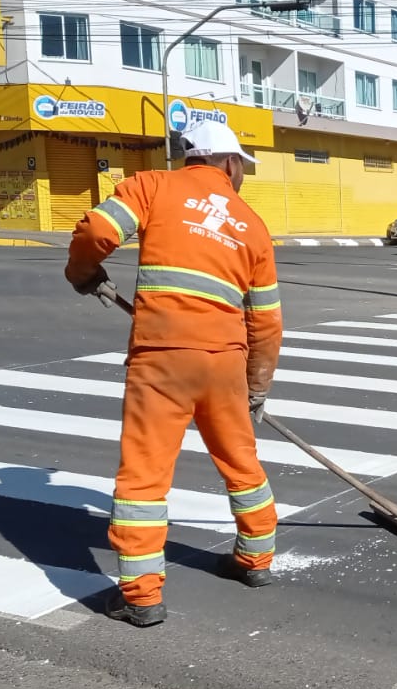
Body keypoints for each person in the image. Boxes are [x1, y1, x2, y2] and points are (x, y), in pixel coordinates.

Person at [63, 119, 283, 628]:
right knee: (240, 460)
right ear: (229, 163)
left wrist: (81, 274)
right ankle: (256, 560)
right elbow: (267, 321)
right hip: (224, 360)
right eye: (242, 166)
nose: (242, 175)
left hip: (161, 356)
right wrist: (256, 385)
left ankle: (142, 596)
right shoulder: (252, 225)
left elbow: (97, 231)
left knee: (144, 474)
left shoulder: (152, 187)